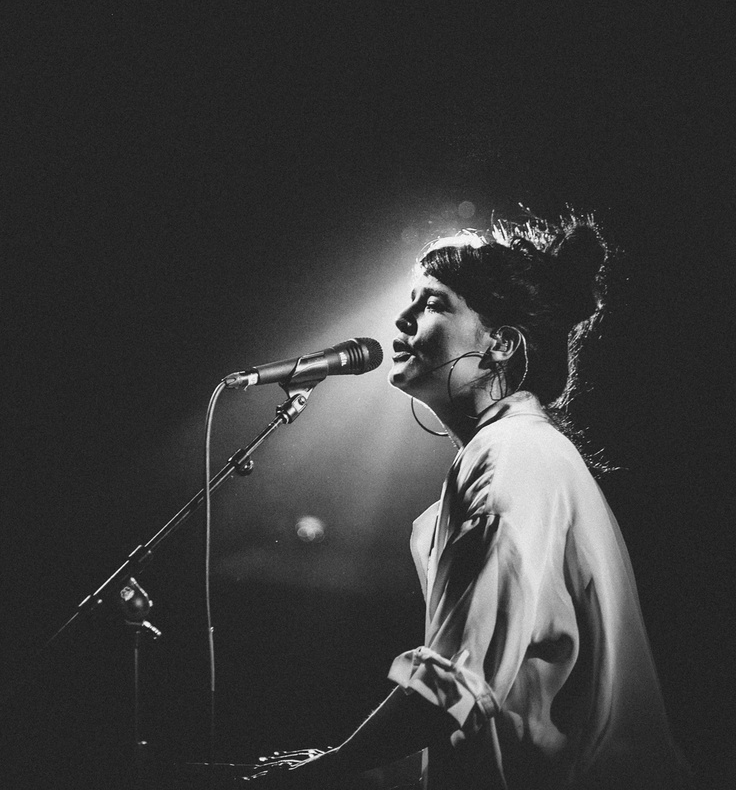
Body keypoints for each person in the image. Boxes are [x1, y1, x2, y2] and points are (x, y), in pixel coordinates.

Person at [255, 219, 692, 789]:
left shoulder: (511, 456)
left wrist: (331, 767)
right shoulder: (502, 460)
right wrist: (373, 772)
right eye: (409, 301)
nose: (402, 320)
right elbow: (487, 708)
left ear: (501, 344)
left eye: (432, 303)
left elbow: (455, 687)